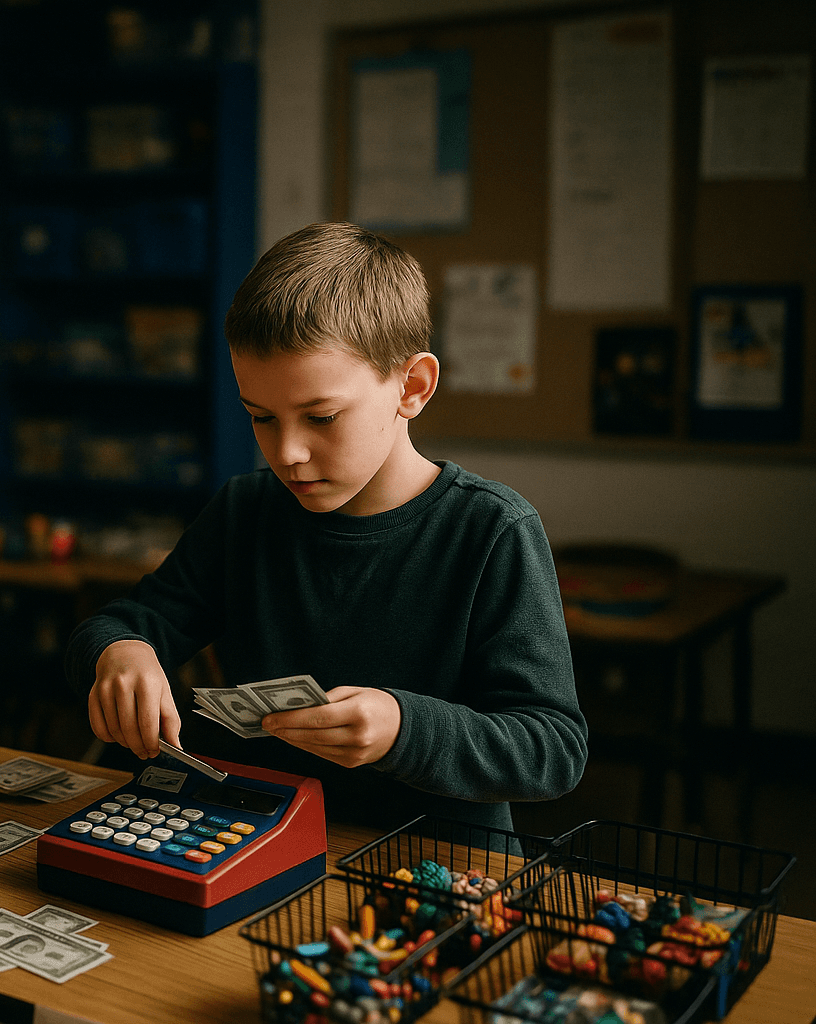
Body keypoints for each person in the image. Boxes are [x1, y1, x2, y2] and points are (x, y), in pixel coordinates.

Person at [69, 223, 587, 834]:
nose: (286, 452)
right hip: (258, 845)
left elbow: (552, 750)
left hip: (436, 870)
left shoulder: (491, 530)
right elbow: (125, 623)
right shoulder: (245, 512)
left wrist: (403, 728)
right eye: (260, 417)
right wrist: (121, 649)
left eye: (321, 417)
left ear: (412, 387)